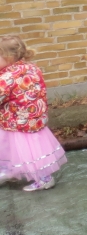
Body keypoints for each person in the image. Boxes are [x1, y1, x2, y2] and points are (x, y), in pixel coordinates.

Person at [0, 35, 67, 191]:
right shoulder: (31, 68)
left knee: (26, 151)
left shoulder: (7, 77)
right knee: (12, 146)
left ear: (8, 57)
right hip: (32, 118)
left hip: (17, 121)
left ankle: (44, 179)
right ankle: (10, 171)